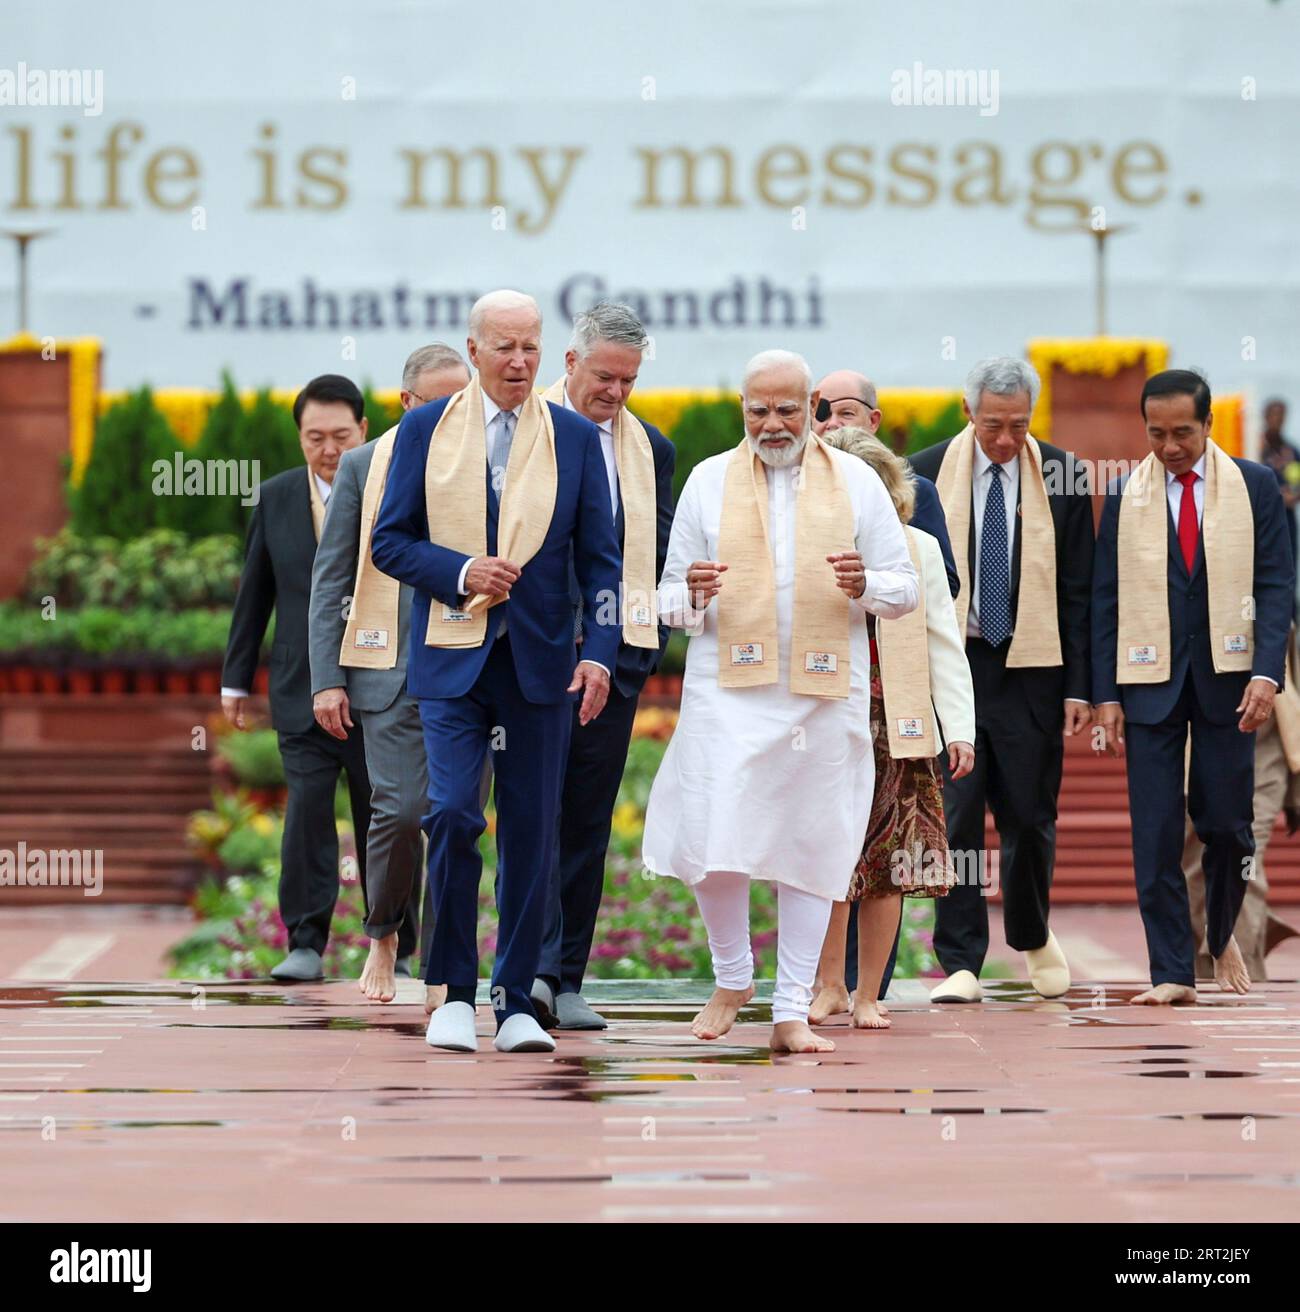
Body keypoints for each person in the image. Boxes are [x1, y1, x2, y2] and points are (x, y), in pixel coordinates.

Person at [641, 350, 919, 1054]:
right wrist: (692, 595)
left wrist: (867, 587)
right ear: (744, 410)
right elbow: (665, 602)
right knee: (711, 841)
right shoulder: (708, 481)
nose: (772, 424)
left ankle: (791, 1008)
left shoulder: (856, 482)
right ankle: (733, 976)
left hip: (824, 697)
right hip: (728, 694)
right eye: (758, 410)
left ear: (813, 411)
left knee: (812, 846)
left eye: (787, 409)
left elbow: (905, 588)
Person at [370, 290, 622, 1054]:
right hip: (452, 659)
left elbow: (603, 562)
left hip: (541, 667)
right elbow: (390, 543)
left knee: (532, 833)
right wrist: (461, 570)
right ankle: (450, 990)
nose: (519, 362)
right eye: (504, 347)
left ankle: (516, 1001)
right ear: (473, 350)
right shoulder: (423, 429)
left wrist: (600, 652)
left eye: (531, 348)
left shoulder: (575, 439)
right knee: (449, 814)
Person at [1093, 369, 1293, 1003]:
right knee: (1153, 833)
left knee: (1229, 827)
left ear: (1208, 425)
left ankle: (1224, 929)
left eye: (1183, 432)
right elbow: (1104, 600)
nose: (1170, 446)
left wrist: (1266, 672)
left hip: (1230, 685)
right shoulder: (1127, 494)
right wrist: (1105, 695)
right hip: (1149, 682)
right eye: (1157, 433)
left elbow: (1276, 586)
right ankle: (1173, 972)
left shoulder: (1255, 486)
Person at [910, 357, 1094, 1003]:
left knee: (1029, 815)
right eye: (994, 426)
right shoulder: (926, 471)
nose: (1007, 441)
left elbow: (1080, 590)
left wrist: (1080, 687)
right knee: (956, 819)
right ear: (969, 414)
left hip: (1033, 670)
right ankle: (961, 960)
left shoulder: (1064, 473)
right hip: (955, 666)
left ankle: (1033, 933)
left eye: (1019, 426)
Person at [308, 344, 471, 1010]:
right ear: (407, 403)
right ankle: (383, 938)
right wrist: (326, 677)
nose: (453, 415)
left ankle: (442, 963)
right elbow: (332, 577)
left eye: (464, 402)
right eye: (438, 403)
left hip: (467, 665)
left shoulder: (488, 462)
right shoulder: (363, 465)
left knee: (454, 819)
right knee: (399, 814)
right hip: (385, 670)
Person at [533, 304, 675, 1031]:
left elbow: (652, 560)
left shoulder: (652, 448)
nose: (616, 393)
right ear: (569, 362)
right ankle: (525, 971)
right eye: (604, 377)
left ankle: (566, 979)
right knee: (532, 817)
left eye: (629, 380)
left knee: (586, 822)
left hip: (615, 664)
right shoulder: (529, 431)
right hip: (534, 660)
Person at [808, 428, 975, 1028]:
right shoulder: (807, 545)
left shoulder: (919, 549)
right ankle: (826, 984)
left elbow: (943, 644)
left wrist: (958, 729)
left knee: (889, 862)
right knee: (825, 856)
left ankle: (868, 995)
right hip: (823, 717)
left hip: (895, 724)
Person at [221, 374, 372, 982]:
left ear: (364, 430)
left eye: (341, 435)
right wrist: (236, 679)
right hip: (298, 688)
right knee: (306, 813)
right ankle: (305, 943)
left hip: (374, 686)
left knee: (383, 819)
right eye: (316, 438)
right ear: (300, 437)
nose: (329, 450)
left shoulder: (390, 491)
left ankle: (400, 943)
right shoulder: (277, 496)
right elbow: (254, 592)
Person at [1181, 628, 1300, 980]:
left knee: (1248, 857)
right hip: (1200, 744)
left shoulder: (1277, 596)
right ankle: (1199, 966)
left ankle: (1242, 967)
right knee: (1194, 866)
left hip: (1267, 749)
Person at [812, 369, 959, 597]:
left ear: (873, 421)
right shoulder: (795, 485)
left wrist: (873, 588)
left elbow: (946, 585)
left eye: (847, 413)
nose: (832, 423)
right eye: (822, 413)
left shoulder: (914, 491)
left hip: (890, 627)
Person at [1259, 399, 1300, 568]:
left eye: (1281, 416)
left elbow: (1297, 481)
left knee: (1289, 559)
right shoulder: (1256, 448)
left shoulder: (1291, 451)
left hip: (1287, 516)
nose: (1278, 419)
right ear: (1266, 417)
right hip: (1265, 514)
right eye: (1274, 415)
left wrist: (1294, 496)